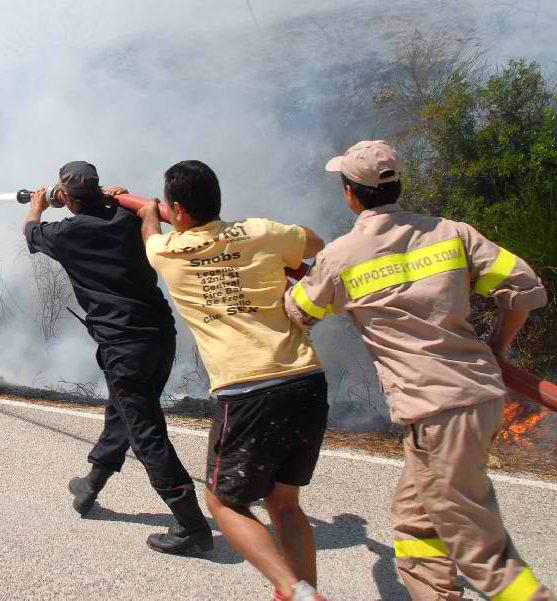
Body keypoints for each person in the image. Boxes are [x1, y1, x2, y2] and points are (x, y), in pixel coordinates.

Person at [284, 140, 553, 601]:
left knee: (482, 554)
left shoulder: (343, 256)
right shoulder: (453, 233)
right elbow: (526, 290)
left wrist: (285, 270)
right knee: (414, 523)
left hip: (438, 410)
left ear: (350, 193)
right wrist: (497, 347)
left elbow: (299, 313)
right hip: (480, 396)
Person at [139, 160, 330, 601]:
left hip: (247, 390)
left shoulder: (167, 253)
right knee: (285, 505)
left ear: (178, 210)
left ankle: (292, 590)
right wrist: (276, 239)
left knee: (223, 503)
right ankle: (305, 593)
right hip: (306, 379)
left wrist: (150, 213)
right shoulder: (261, 230)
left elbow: (150, 234)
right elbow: (315, 243)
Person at [23, 160, 212, 555]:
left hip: (124, 345)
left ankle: (191, 525)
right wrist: (113, 199)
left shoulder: (68, 233)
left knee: (146, 433)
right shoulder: (128, 219)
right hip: (160, 337)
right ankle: (91, 484)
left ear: (68, 198)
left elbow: (31, 233)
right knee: (124, 410)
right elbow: (135, 213)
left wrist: (38, 204)